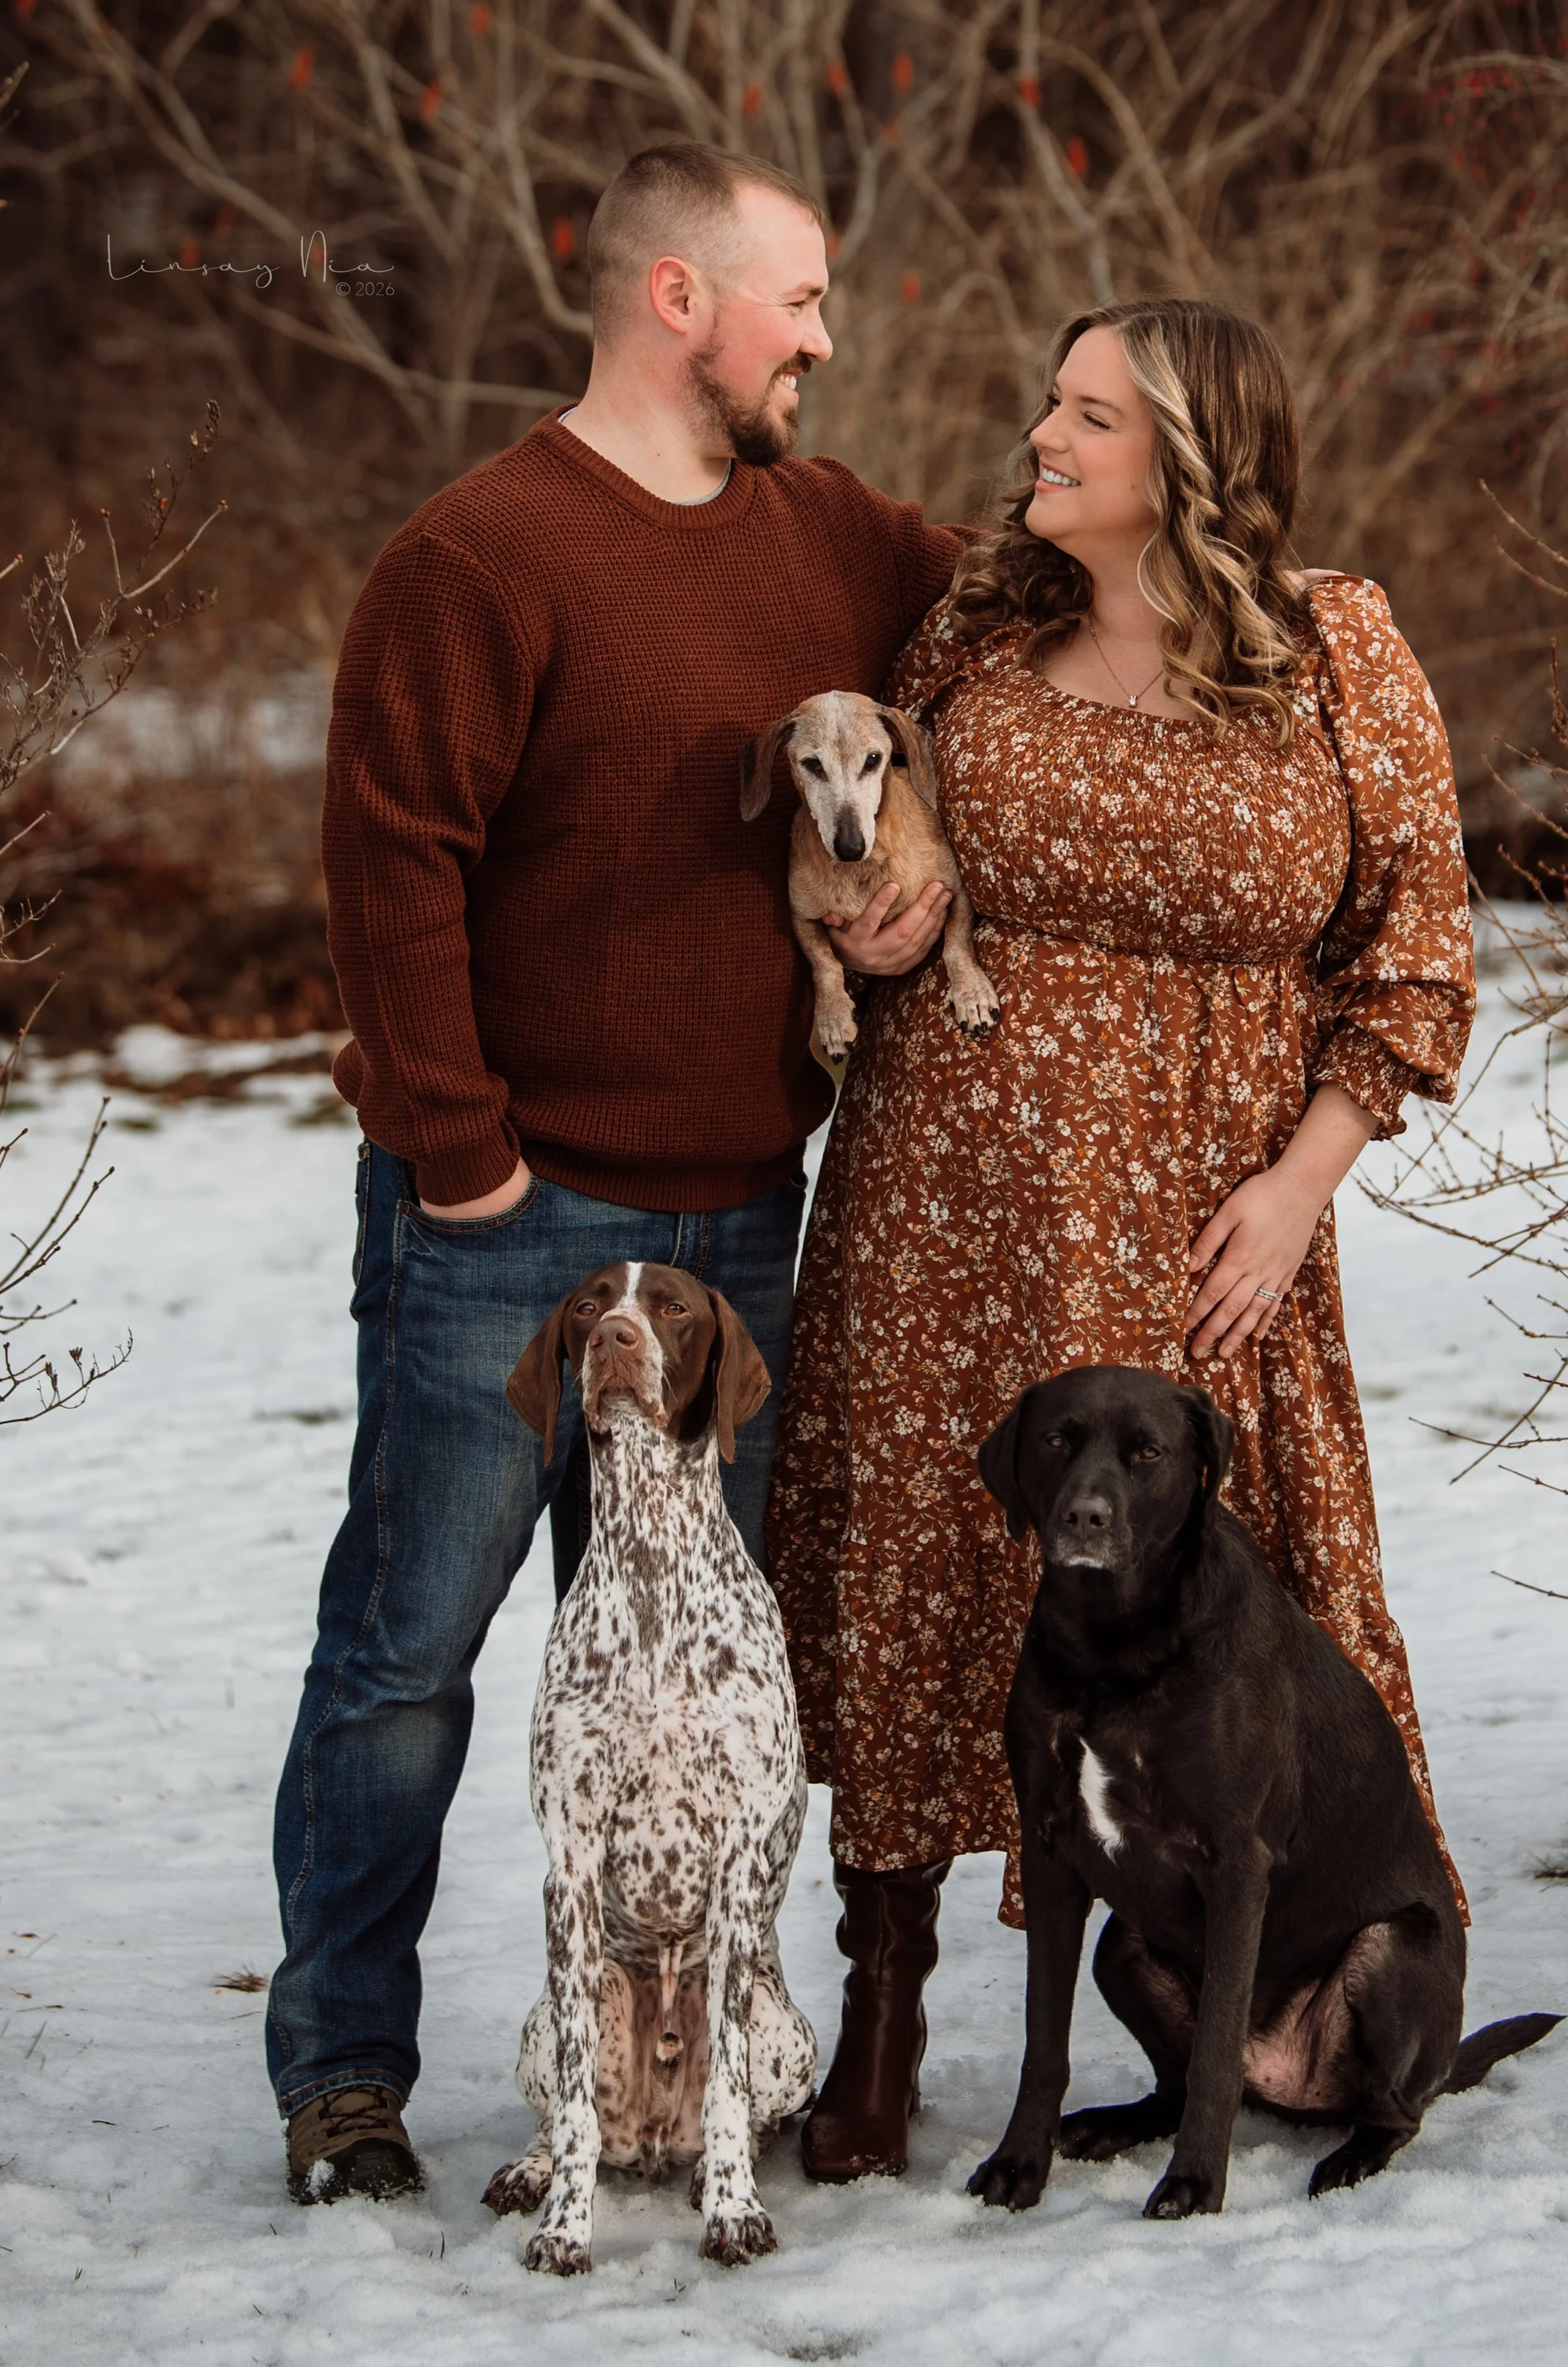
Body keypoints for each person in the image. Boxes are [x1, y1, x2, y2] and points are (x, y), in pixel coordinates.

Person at [269, 140, 961, 2205]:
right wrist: (454, 1148)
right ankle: (343, 2081)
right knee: (407, 1658)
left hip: (737, 1218)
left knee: (675, 1694)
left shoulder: (826, 538)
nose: (826, 341)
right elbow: (390, 856)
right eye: (802, 304)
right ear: (679, 298)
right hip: (513, 1225)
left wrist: (927, 888)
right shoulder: (479, 556)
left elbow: (1022, 625)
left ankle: (661, 2085)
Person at [767, 297, 1477, 2183]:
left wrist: (1304, 1179)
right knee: (925, 1592)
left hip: (1204, 1223)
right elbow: (879, 832)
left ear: (1185, 455)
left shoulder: (1338, 651)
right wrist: (890, 924)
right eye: (1049, 403)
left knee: (1210, 1622)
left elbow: (1416, 955)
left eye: (1085, 413)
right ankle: (885, 2004)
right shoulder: (978, 633)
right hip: (953, 1201)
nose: (1040, 434)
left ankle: (1281, 1989)